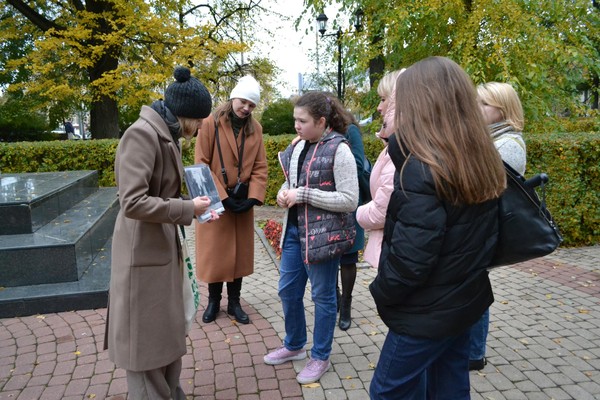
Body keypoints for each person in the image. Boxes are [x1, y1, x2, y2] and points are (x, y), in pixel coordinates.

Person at [368, 56, 507, 399]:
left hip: (427, 312)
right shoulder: (476, 157)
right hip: (463, 301)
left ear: (421, 105)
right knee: (449, 385)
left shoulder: (422, 167)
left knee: (386, 391)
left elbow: (411, 260)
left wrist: (381, 291)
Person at [105, 66, 216, 399]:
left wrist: (192, 206)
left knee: (165, 340)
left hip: (159, 252)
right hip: (142, 256)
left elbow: (159, 196)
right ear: (186, 116)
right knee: (146, 350)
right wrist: (186, 209)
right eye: (199, 121)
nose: (199, 129)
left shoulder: (165, 133)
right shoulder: (142, 134)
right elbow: (133, 202)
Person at [263, 91, 358, 384]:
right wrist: (283, 193)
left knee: (323, 297)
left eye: (302, 121)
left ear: (321, 121)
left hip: (322, 237)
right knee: (288, 290)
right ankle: (294, 345)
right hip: (294, 231)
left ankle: (320, 355)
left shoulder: (340, 150)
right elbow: (293, 182)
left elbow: (350, 200)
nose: (296, 126)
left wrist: (302, 194)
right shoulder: (300, 146)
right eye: (295, 119)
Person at [194, 75, 268, 325]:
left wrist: (253, 197)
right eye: (243, 102)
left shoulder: (255, 129)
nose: (246, 108)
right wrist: (222, 198)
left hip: (242, 201)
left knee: (238, 254)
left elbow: (260, 166)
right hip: (215, 201)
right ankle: (213, 301)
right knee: (216, 253)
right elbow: (201, 163)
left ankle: (234, 301)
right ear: (233, 97)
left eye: (252, 105)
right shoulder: (210, 123)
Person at [468, 81, 526, 371]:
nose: (476, 109)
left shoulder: (508, 144)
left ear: (502, 110)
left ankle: (474, 353)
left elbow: (484, 189)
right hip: (477, 227)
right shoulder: (489, 139)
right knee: (471, 287)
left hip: (486, 229)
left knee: (476, 290)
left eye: (483, 104)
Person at [356, 69, 403, 270]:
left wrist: (356, 213)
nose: (379, 107)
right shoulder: (394, 147)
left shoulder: (399, 150)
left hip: (393, 252)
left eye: (384, 100)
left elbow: (381, 212)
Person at [337, 105, 367, 331]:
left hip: (349, 200)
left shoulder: (350, 131)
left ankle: (346, 303)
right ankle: (336, 298)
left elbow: (358, 164)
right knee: (325, 256)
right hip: (325, 201)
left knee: (348, 257)